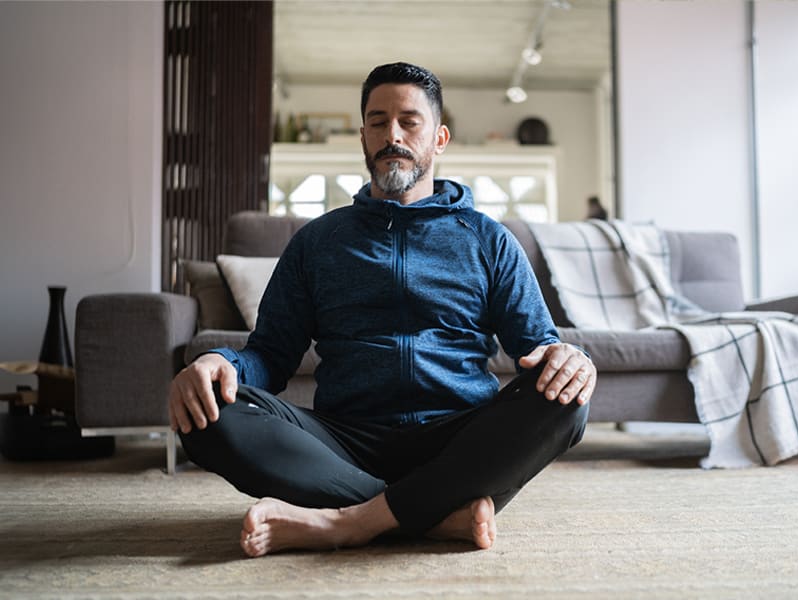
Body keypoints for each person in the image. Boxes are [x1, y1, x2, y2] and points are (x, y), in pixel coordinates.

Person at [169, 62, 596, 557]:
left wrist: (569, 358)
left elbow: (538, 349)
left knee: (568, 397)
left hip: (457, 436)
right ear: (363, 135)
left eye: (409, 121)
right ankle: (432, 517)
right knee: (203, 410)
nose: (392, 135)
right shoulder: (318, 243)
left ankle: (351, 521)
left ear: (439, 138)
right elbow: (270, 355)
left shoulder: (489, 241)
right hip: (344, 439)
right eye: (378, 121)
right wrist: (220, 363)